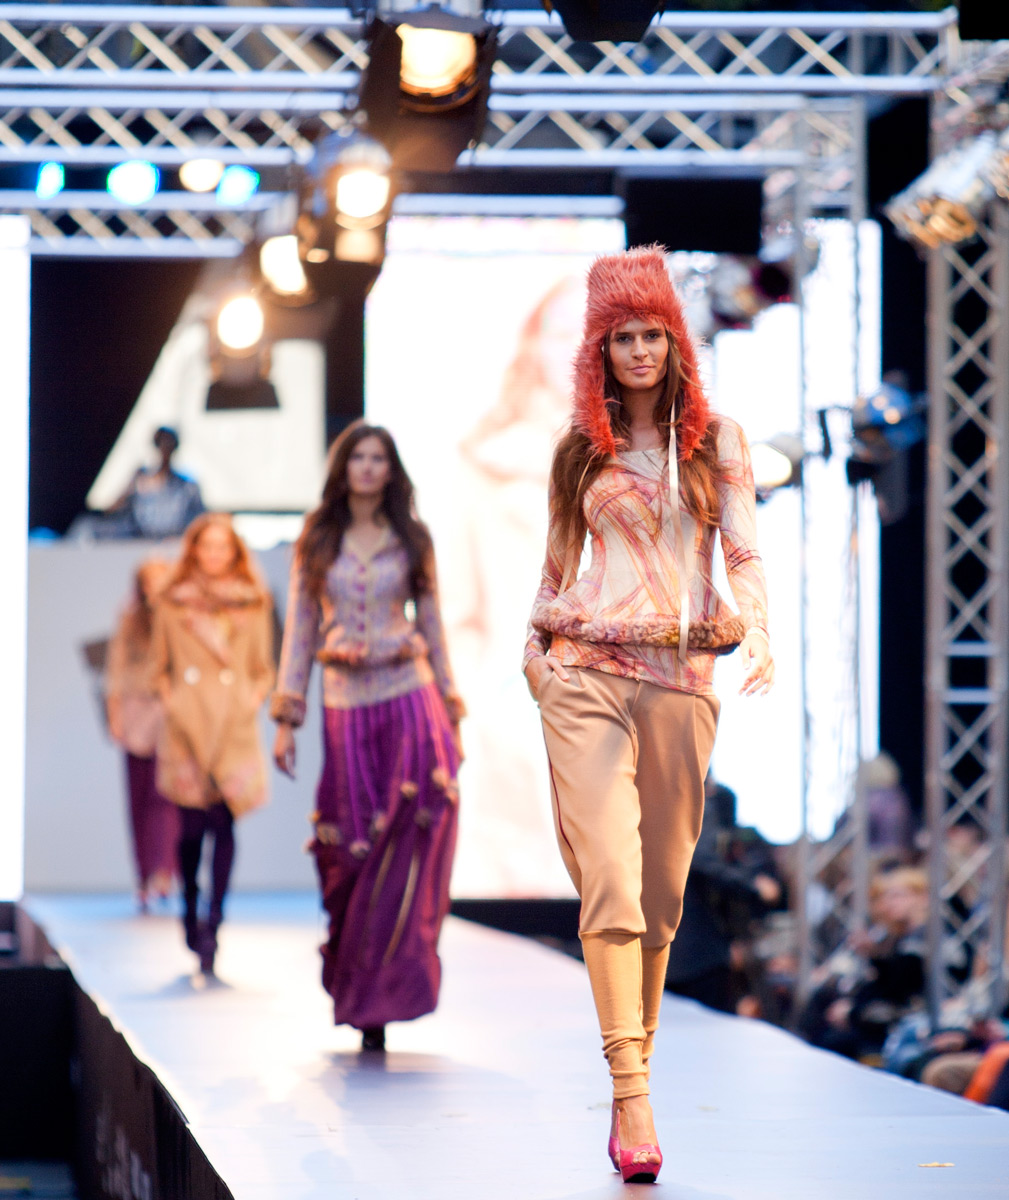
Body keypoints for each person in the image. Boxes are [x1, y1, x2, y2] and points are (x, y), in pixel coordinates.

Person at [523, 246, 773, 1184]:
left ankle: (637, 1075)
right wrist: (536, 660)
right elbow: (555, 571)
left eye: (652, 335)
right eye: (621, 337)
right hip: (584, 671)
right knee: (610, 882)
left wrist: (759, 628)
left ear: (675, 344)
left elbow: (740, 553)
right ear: (599, 348)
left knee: (662, 897)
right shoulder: (577, 450)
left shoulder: (717, 442)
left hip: (680, 679)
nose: (638, 351)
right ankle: (631, 1096)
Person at [271, 422, 464, 1052]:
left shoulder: (412, 537)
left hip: (410, 698)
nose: (368, 467)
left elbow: (431, 622)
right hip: (345, 704)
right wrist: (286, 717)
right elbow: (301, 628)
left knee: (406, 841)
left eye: (379, 457)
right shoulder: (318, 537)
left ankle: (387, 999)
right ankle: (359, 993)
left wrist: (451, 708)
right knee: (352, 846)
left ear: (391, 469)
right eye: (358, 456)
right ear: (343, 466)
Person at [149, 513, 274, 975]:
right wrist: (176, 703)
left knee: (224, 823)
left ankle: (214, 920)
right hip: (188, 725)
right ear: (194, 551)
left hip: (234, 728)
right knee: (190, 829)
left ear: (235, 552)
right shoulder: (173, 602)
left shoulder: (253, 601)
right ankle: (189, 905)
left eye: (224, 546)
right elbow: (160, 666)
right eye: (208, 546)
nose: (215, 555)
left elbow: (262, 666)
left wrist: (249, 700)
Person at [105, 557, 178, 911]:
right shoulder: (129, 616)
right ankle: (143, 876)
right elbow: (115, 668)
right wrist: (114, 714)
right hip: (136, 711)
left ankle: (165, 871)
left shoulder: (179, 615)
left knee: (168, 795)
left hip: (168, 711)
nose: (155, 588)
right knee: (139, 797)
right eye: (150, 581)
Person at [109, 426, 205, 539]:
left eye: (169, 443)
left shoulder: (187, 486)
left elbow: (200, 518)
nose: (165, 448)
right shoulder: (141, 479)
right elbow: (115, 508)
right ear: (156, 445)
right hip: (141, 541)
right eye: (162, 443)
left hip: (174, 541)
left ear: (175, 447)